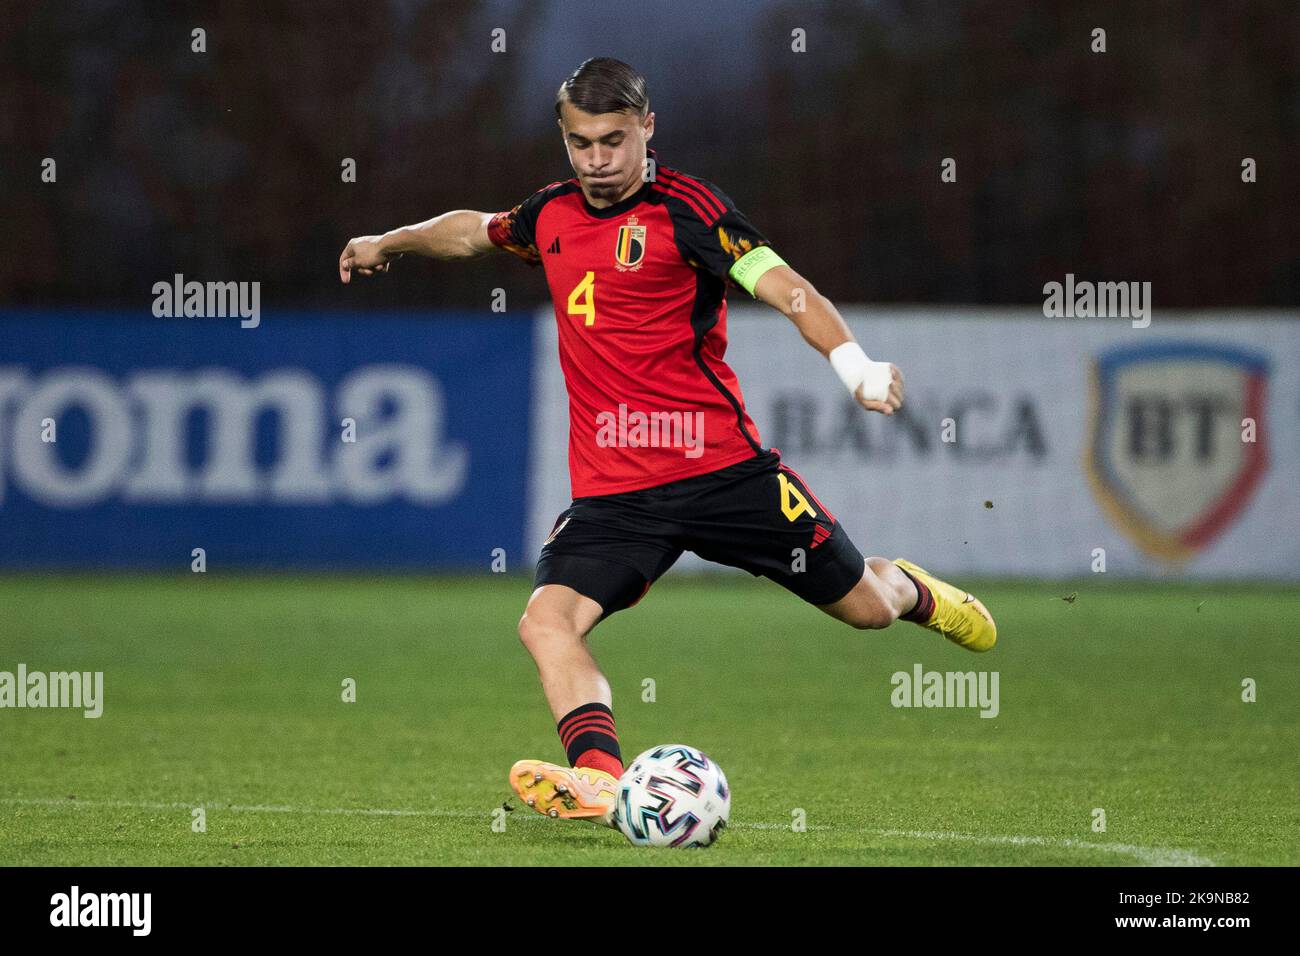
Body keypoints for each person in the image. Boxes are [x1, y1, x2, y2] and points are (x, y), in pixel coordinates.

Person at [338, 57, 996, 829]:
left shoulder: (691, 210)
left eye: (613, 140)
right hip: (616, 495)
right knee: (544, 621)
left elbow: (790, 289)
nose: (597, 160)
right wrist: (392, 239)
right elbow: (472, 233)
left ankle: (911, 588)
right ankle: (599, 780)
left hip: (725, 475)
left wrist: (854, 367)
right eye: (580, 143)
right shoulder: (549, 214)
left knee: (866, 611)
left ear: (648, 127)